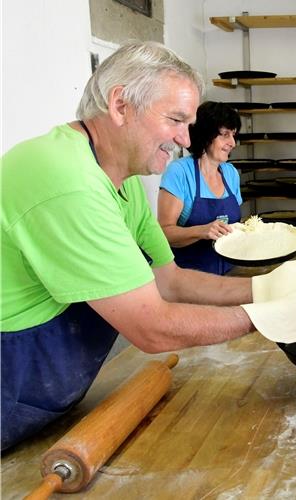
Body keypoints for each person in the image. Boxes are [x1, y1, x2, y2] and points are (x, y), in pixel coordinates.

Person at [0, 41, 257, 451]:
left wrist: (268, 290)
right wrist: (270, 317)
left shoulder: (124, 178)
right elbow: (151, 327)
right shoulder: (66, 179)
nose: (184, 138)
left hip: (43, 398)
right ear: (120, 104)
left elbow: (169, 281)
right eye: (175, 119)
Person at [158, 101, 242, 275]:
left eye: (233, 135)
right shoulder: (180, 172)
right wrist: (202, 231)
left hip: (229, 273)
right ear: (206, 135)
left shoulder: (231, 173)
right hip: (188, 277)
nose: (232, 143)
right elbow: (163, 234)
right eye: (225, 134)